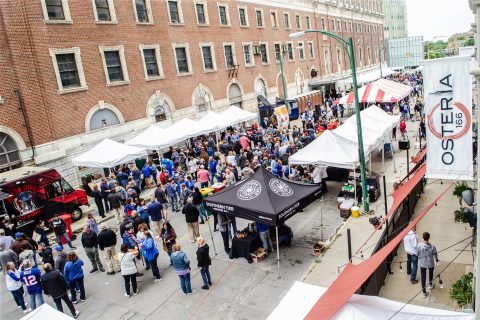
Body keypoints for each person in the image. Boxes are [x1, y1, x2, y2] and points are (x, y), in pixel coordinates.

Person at [417, 232, 438, 298]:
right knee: (431, 273)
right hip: (430, 263)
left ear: (423, 237)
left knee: (423, 277)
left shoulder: (419, 245)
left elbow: (417, 253)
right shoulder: (432, 246)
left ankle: (424, 292)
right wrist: (436, 259)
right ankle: (431, 285)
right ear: (429, 237)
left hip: (423, 263)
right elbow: (435, 254)